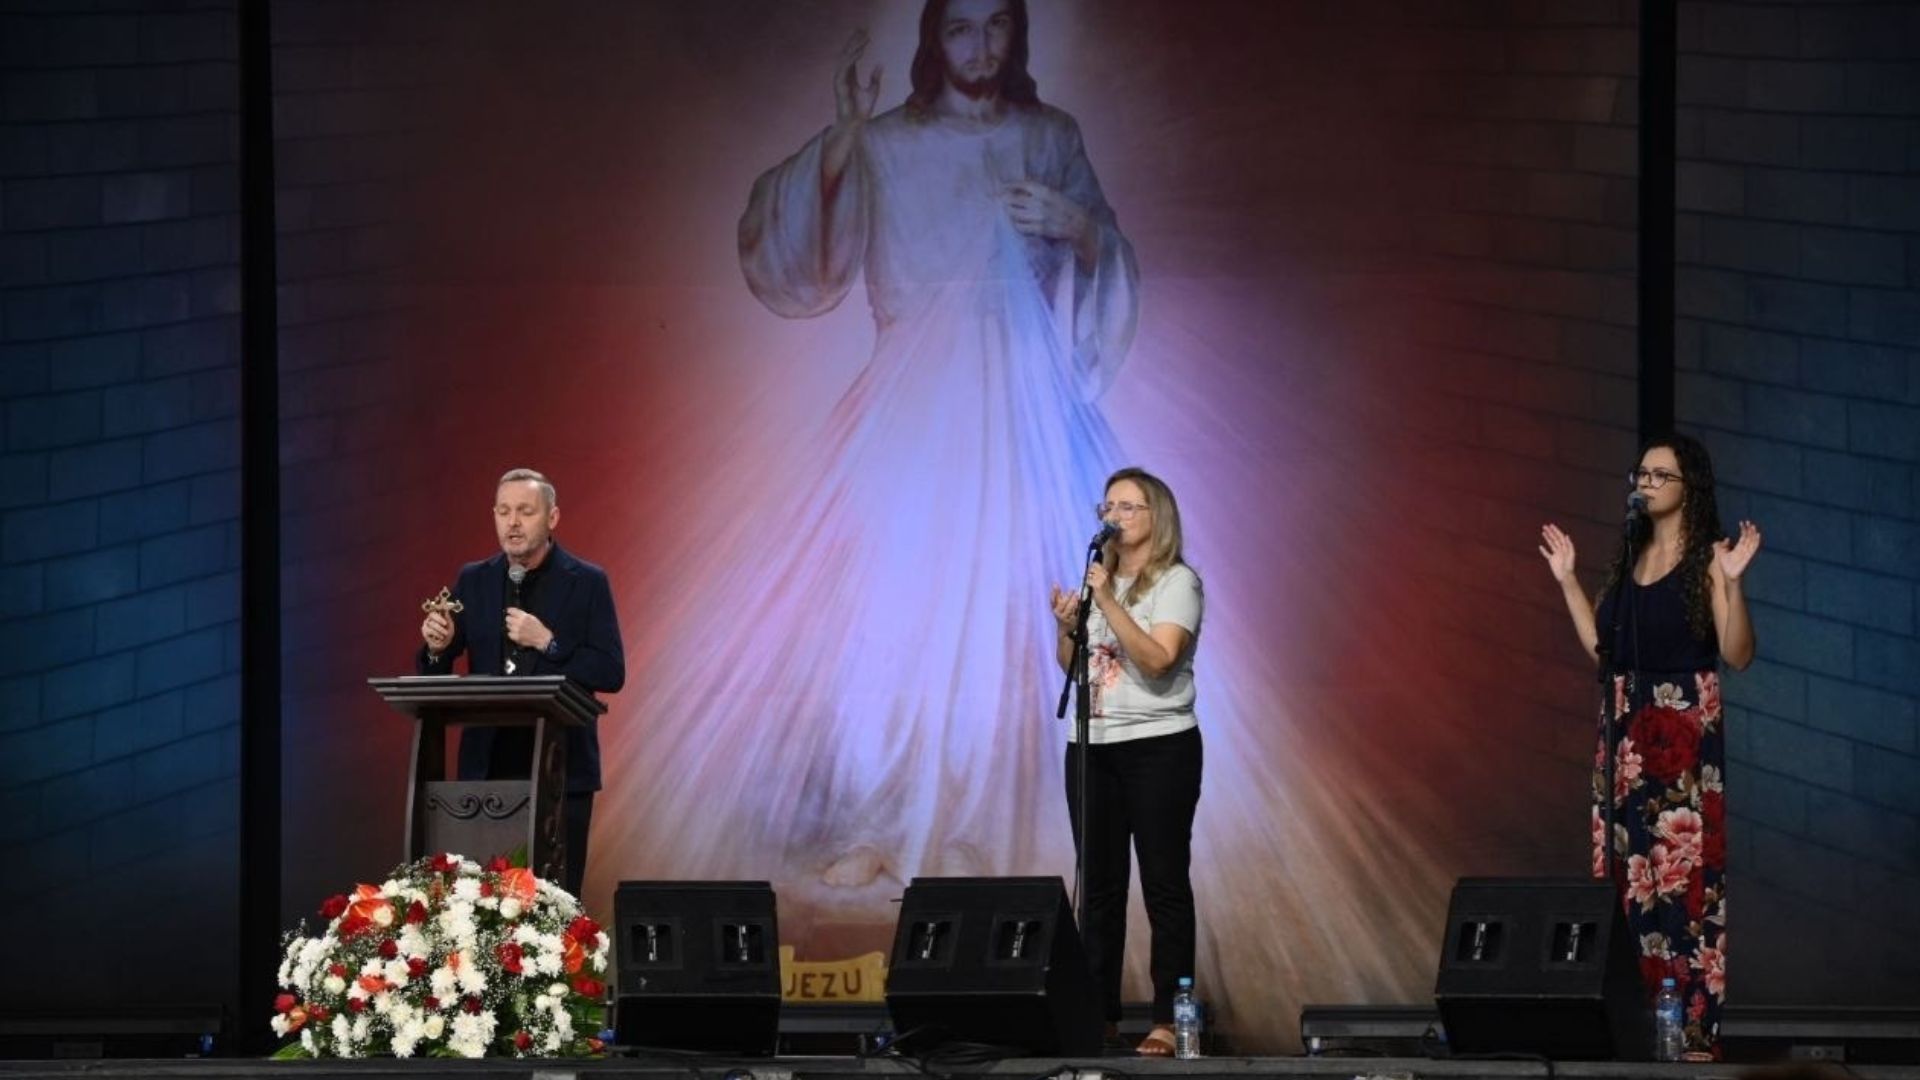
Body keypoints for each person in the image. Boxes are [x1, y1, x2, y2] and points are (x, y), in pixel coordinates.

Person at [597, 0, 1138, 925]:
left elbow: (1110, 254)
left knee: (990, 627)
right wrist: (843, 137)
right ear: (936, 38)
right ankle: (874, 824)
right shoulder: (886, 143)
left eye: (997, 28)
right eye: (961, 29)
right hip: (904, 410)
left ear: (1017, 37)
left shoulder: (1050, 139)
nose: (980, 48)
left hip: (1012, 412)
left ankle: (969, 830)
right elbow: (796, 258)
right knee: (884, 619)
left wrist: (1074, 226)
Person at [1538, 434, 1760, 1060]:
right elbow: (1604, 651)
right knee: (1626, 890)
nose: (1647, 482)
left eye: (1662, 474)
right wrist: (1568, 583)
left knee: (1683, 892)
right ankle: (1632, 1031)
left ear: (1690, 486)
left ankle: (1688, 1037)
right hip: (1625, 749)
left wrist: (1736, 585)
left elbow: (1738, 654)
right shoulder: (1630, 558)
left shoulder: (1710, 558)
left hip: (1682, 751)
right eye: (1643, 473)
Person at [1049, 467, 1203, 1056]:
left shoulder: (1176, 582)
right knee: (1100, 887)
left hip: (1159, 744)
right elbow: (1076, 668)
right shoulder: (1099, 579)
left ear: (1155, 516)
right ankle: (1099, 1015)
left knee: (1163, 883)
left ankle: (1169, 1017)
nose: (1114, 515)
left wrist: (1107, 601)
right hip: (1092, 744)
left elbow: (1160, 659)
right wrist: (1067, 628)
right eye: (1108, 505)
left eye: (1128, 506)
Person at [418, 468, 626, 896]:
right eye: (504, 511)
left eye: (525, 512)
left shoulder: (586, 582)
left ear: (552, 518)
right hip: (486, 773)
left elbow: (610, 671)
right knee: (480, 908)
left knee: (555, 906)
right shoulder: (474, 580)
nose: (512, 523)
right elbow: (436, 673)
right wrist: (437, 647)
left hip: (559, 769)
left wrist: (548, 643)